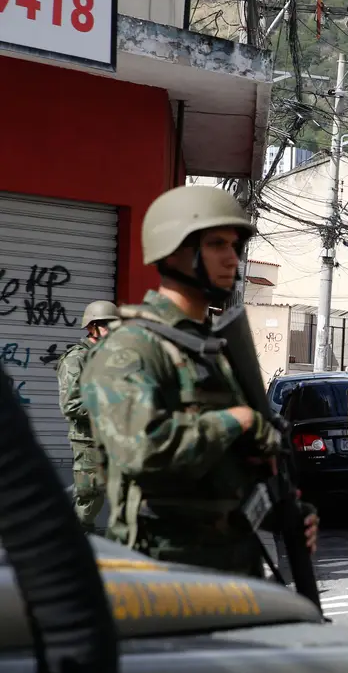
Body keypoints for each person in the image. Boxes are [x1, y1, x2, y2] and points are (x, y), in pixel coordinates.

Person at [80, 185, 318, 577]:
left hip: (235, 567)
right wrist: (237, 421)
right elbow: (143, 450)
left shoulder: (214, 350)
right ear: (174, 252)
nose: (232, 259)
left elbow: (229, 471)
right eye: (216, 244)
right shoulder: (132, 349)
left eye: (235, 246)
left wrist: (284, 512)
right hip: (164, 576)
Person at [57, 300, 119, 534]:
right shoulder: (76, 359)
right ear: (93, 327)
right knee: (89, 497)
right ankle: (74, 543)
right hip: (89, 439)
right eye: (108, 325)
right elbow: (71, 405)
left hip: (114, 437)